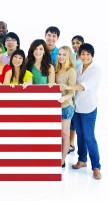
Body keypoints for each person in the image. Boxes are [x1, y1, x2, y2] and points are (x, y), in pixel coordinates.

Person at [60, 43, 102, 180]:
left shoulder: (96, 69)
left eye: (88, 54)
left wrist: (68, 86)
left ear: (92, 56)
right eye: (82, 54)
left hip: (89, 108)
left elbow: (84, 86)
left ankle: (96, 167)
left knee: (90, 137)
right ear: (79, 55)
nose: (85, 56)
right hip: (77, 108)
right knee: (80, 136)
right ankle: (82, 160)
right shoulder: (78, 69)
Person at [55, 46, 76, 167]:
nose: (61, 57)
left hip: (66, 106)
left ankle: (62, 160)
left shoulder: (71, 71)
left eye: (64, 55)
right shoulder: (56, 70)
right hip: (56, 106)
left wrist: (64, 98)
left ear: (68, 57)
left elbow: (72, 92)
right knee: (58, 134)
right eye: (59, 54)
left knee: (64, 134)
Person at [69, 35, 84, 154]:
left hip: (80, 90)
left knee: (77, 121)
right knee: (71, 118)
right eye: (73, 43)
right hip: (71, 89)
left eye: (78, 43)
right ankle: (70, 143)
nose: (75, 45)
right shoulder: (72, 56)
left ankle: (72, 144)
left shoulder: (84, 57)